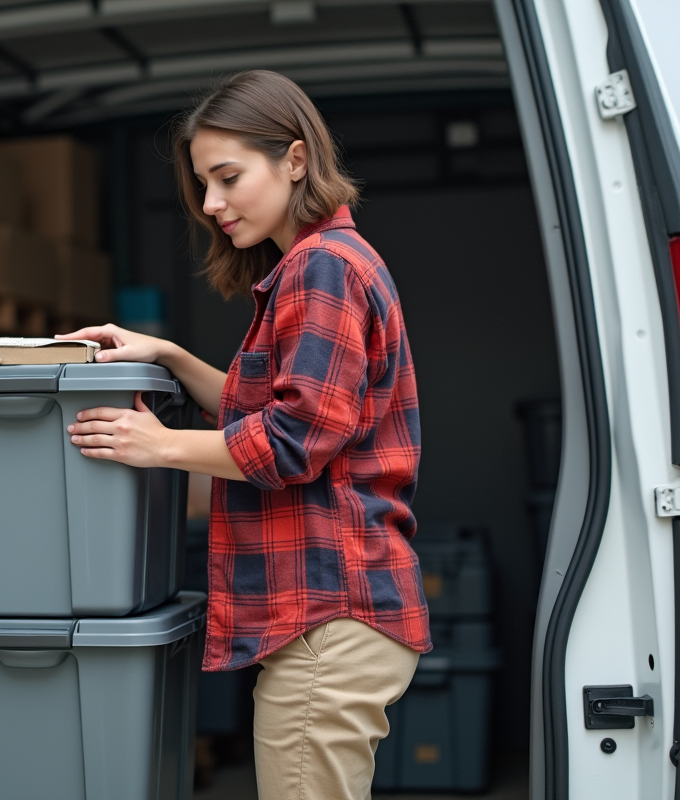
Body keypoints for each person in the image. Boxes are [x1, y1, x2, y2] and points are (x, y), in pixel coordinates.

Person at [58, 70, 430, 800]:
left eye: (228, 177)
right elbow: (264, 405)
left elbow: (292, 440)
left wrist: (156, 445)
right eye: (203, 184)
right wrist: (164, 355)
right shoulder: (316, 264)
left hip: (328, 614)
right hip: (330, 614)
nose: (211, 204)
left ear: (295, 160)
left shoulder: (322, 268)